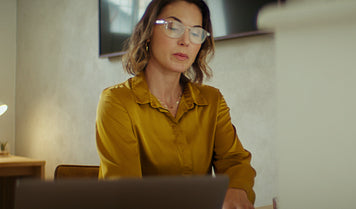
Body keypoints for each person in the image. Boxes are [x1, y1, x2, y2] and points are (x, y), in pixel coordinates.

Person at [95, 0, 256, 208]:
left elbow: (235, 162)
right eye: (173, 27)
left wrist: (237, 190)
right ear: (149, 31)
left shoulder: (212, 100)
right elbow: (126, 193)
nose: (185, 41)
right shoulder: (116, 101)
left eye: (196, 32)